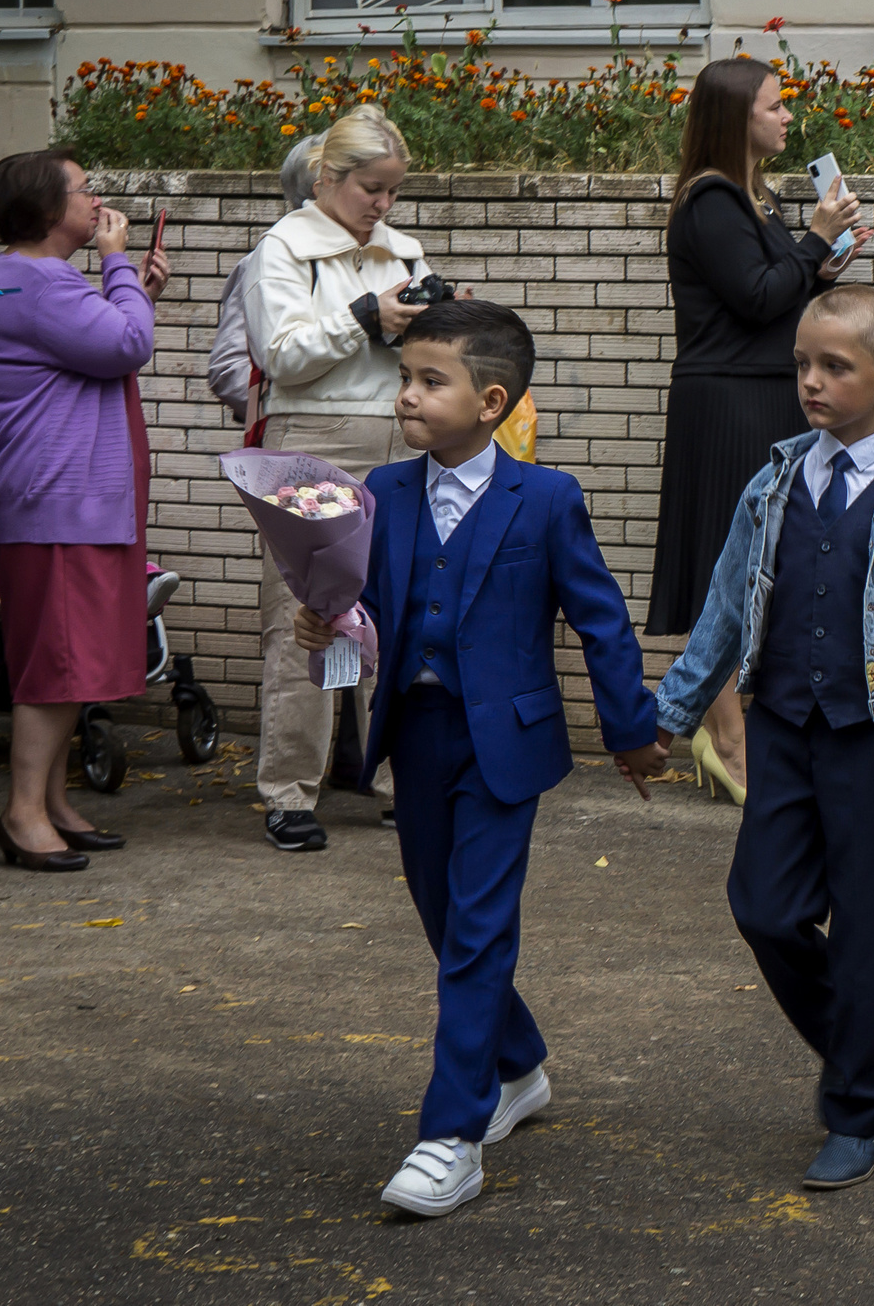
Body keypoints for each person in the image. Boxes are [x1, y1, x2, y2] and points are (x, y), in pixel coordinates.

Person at [290, 299, 660, 1217]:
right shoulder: (384, 493)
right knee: (442, 915)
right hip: (413, 734)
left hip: (508, 743)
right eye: (404, 377)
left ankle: (450, 1134)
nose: (406, 395)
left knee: (480, 928)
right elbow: (361, 611)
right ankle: (520, 1062)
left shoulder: (547, 499)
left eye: (428, 380)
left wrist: (632, 733)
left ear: (491, 400)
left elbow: (601, 620)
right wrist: (323, 622)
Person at [651, 285, 874, 1192]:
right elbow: (722, 604)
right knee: (764, 905)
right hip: (783, 722)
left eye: (834, 366)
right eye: (802, 364)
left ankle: (860, 1110)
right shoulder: (776, 478)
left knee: (866, 927)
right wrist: (670, 714)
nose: (811, 382)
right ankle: (853, 1043)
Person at [646, 56, 864, 804]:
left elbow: (779, 293)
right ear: (738, 116)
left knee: (764, 560)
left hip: (761, 392)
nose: (786, 117)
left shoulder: (754, 199)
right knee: (729, 563)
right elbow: (754, 295)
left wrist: (823, 266)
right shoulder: (710, 201)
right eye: (775, 106)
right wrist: (814, 239)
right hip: (728, 402)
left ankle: (733, 734)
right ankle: (725, 739)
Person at [0, 151, 170, 870]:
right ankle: (23, 813)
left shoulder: (20, 281)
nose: (98, 203)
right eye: (86, 191)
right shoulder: (40, 283)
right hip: (56, 505)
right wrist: (121, 264)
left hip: (64, 503)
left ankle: (52, 801)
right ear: (50, 209)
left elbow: (113, 337)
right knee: (56, 664)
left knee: (68, 659)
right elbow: (127, 343)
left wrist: (132, 287)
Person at [245, 102, 431, 850]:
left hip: (401, 433)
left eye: (392, 191)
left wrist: (442, 318)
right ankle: (289, 790)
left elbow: (415, 342)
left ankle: (393, 778)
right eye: (371, 189)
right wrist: (365, 315)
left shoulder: (402, 248)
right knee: (305, 619)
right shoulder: (282, 247)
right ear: (328, 177)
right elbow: (280, 353)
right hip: (313, 435)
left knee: (388, 614)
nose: (382, 206)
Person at [210, 133, 322, 428]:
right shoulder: (266, 260)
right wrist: (306, 405)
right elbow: (229, 370)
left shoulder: (384, 255)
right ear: (320, 189)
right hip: (299, 443)